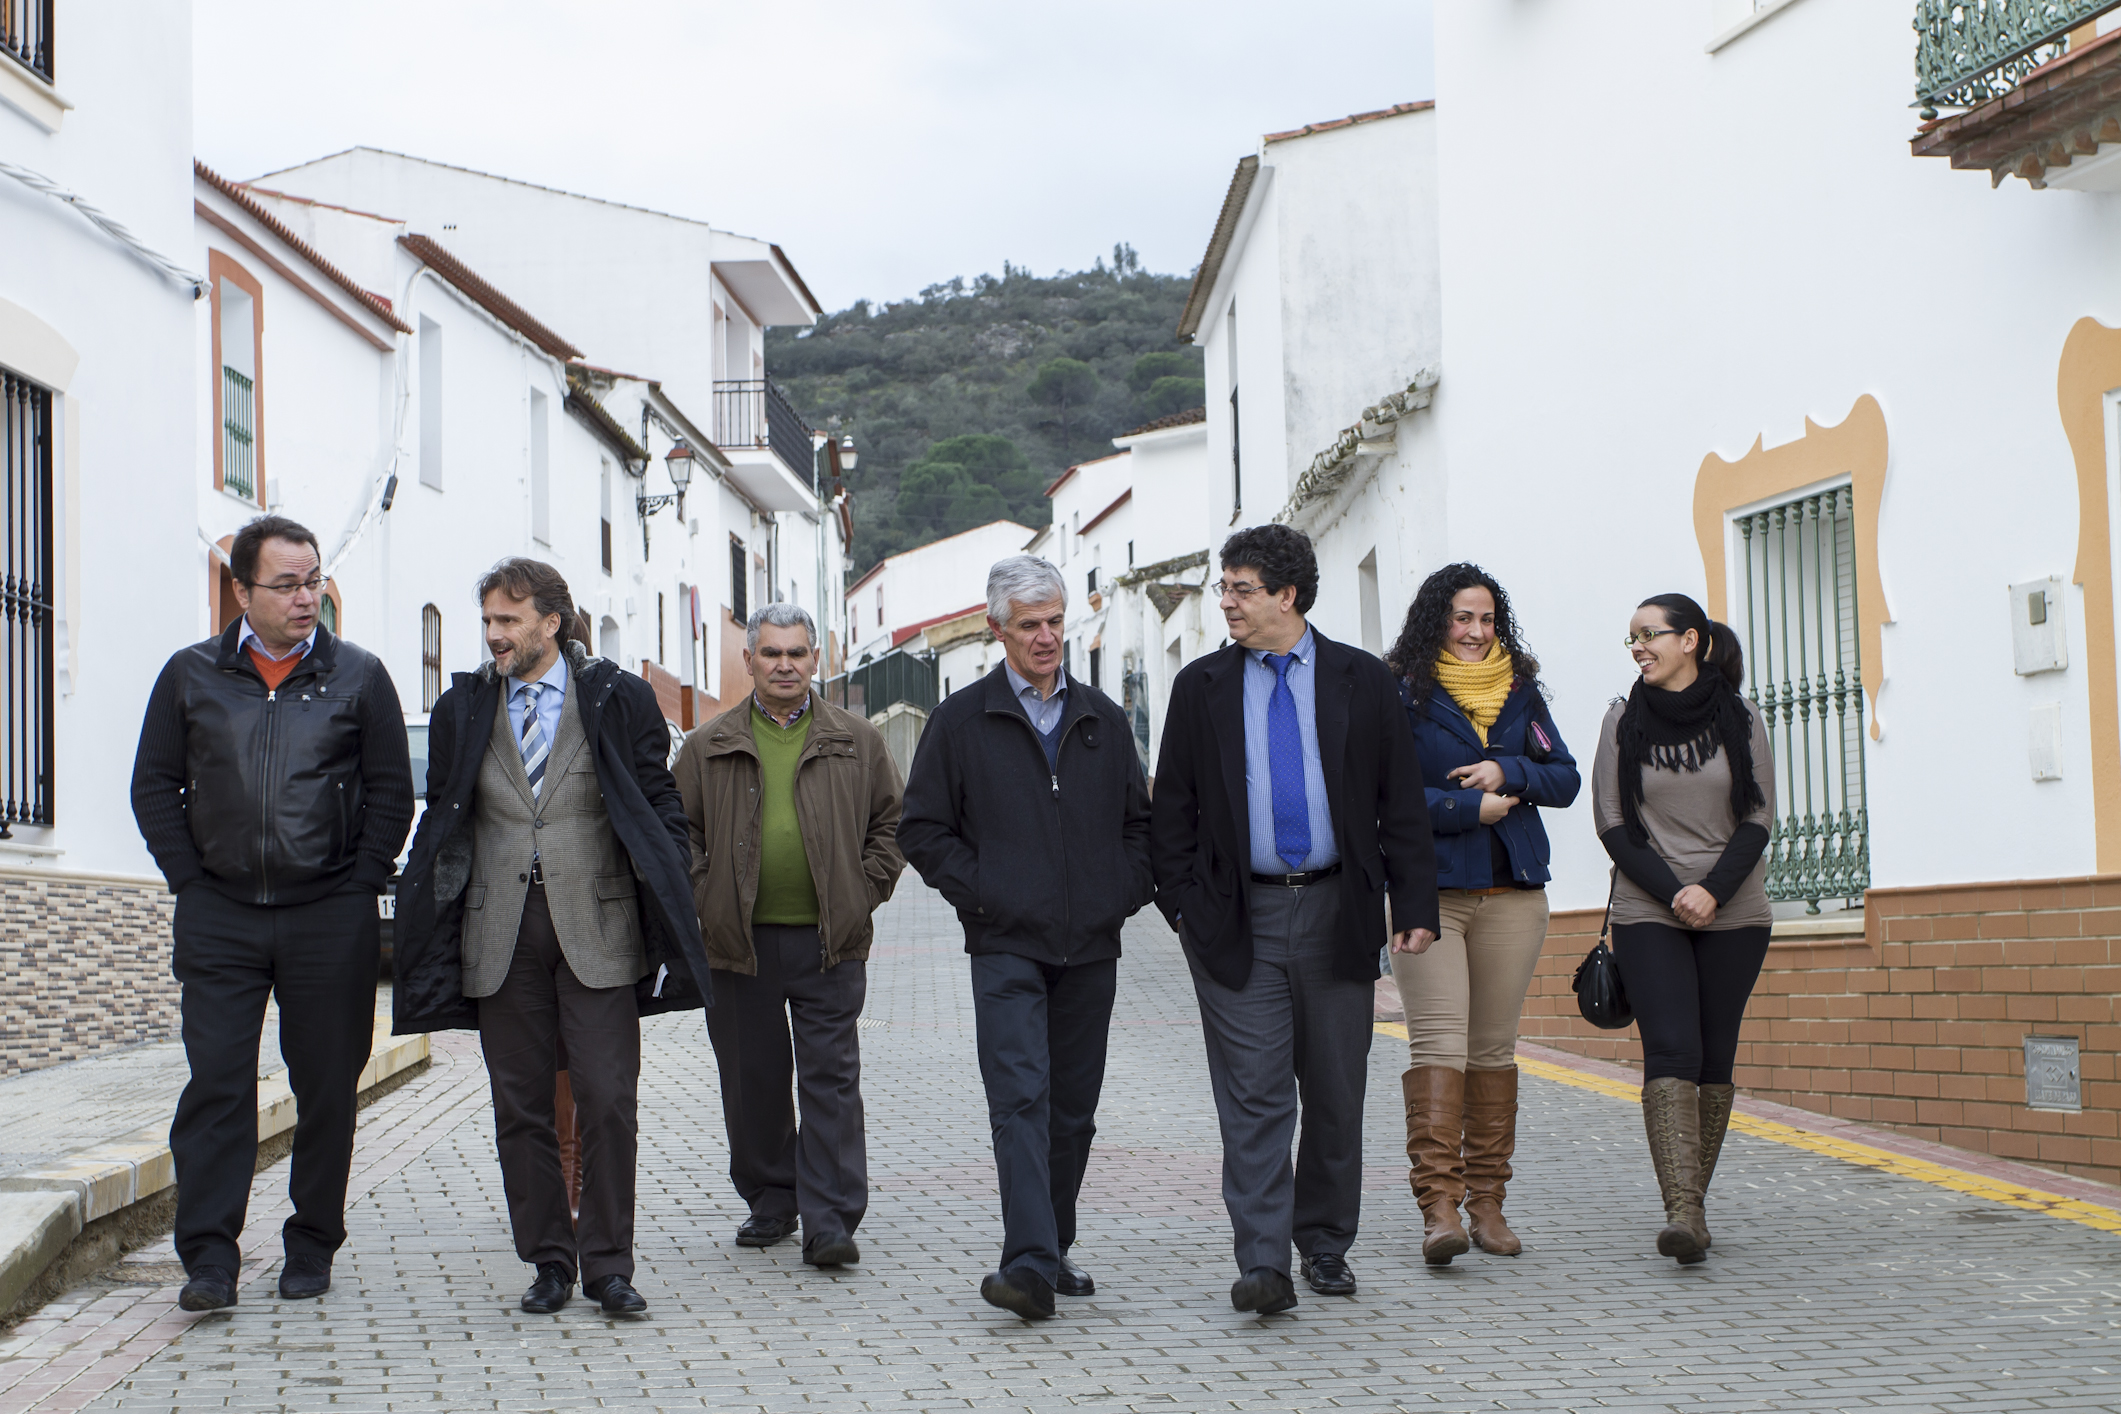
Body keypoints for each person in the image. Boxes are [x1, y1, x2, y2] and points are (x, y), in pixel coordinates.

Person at [390, 558, 710, 1314]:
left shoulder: (618, 696)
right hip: (497, 935)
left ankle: (608, 1265)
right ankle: (549, 1261)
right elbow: (445, 814)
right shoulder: (463, 703)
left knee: (606, 1100)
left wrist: (673, 881)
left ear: (550, 622)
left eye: (508, 620)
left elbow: (657, 798)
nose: (495, 635)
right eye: (489, 622)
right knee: (521, 1108)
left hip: (597, 927)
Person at [1151, 524, 1439, 1315]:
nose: (1226, 603)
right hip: (1235, 917)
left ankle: (1323, 1242)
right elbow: (1169, 805)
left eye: (1241, 589)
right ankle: (1261, 1260)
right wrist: (1182, 905)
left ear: (1287, 594)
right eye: (1224, 588)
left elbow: (1400, 801)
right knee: (1254, 1095)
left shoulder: (1360, 680)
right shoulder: (1202, 686)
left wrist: (1412, 904)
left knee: (1336, 1090)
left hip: (1337, 910)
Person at [130, 515, 414, 1312]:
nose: (305, 597)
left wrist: (359, 885)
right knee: (217, 1084)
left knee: (326, 1085)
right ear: (240, 590)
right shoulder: (190, 676)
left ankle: (312, 1241)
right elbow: (154, 786)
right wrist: (189, 880)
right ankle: (210, 1260)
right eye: (286, 584)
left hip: (329, 914)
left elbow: (391, 793)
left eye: (313, 580)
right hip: (220, 913)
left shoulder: (360, 676)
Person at [899, 555, 1155, 1321]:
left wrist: (1115, 896)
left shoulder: (1103, 721)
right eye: (1029, 625)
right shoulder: (959, 722)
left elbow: (1141, 829)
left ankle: (1053, 1244)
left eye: (1054, 623)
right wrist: (986, 897)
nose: (1046, 638)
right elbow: (922, 829)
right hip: (1004, 945)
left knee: (1072, 1111)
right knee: (1020, 1099)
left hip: (1090, 949)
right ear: (996, 630)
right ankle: (1029, 1263)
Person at [677, 602, 905, 1270]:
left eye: (796, 653)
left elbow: (890, 826)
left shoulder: (856, 741)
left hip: (828, 939)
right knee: (754, 1079)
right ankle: (772, 1200)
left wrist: (862, 892)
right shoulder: (706, 745)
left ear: (816, 659)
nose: (784, 665)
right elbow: (679, 833)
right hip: (737, 943)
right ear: (748, 660)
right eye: (770, 653)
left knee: (830, 1079)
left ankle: (830, 1219)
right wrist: (705, 895)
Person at [1382, 564, 1580, 1264]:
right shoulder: (1401, 692)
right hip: (1429, 895)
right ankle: (1438, 1209)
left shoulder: (1520, 693)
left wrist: (1509, 773)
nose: (1474, 632)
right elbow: (1386, 794)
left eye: (1486, 619)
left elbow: (1565, 779)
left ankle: (1487, 1203)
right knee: (1439, 1048)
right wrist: (1468, 806)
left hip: (1513, 894)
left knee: (1493, 1052)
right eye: (1462, 618)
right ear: (1437, 619)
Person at [1592, 592, 1776, 1265]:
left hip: (1735, 908)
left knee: (1713, 1056)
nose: (1638, 647)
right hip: (1648, 908)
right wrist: (1677, 894)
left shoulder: (1741, 716)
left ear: (1690, 640)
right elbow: (1612, 822)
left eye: (1649, 634)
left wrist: (1713, 891)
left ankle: (1692, 1200)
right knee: (1670, 1048)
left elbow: (1757, 816)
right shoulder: (1620, 721)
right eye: (1631, 638)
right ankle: (1684, 1212)